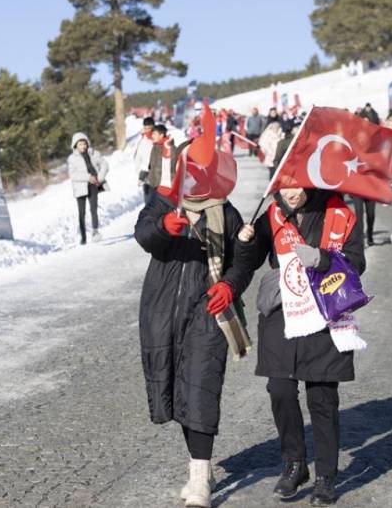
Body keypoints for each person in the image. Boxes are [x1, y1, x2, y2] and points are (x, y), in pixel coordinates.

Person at [134, 135, 253, 508]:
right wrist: (164, 227)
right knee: (178, 389)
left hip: (206, 310)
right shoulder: (163, 200)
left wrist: (231, 286)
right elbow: (143, 234)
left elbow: (242, 261)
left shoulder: (226, 210)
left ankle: (199, 477)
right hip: (162, 310)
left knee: (200, 387)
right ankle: (201, 466)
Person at [235, 187, 367, 506]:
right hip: (283, 311)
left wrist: (322, 259)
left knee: (321, 396)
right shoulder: (272, 215)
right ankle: (294, 464)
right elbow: (250, 262)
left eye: (297, 185)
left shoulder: (340, 214)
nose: (291, 193)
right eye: (285, 185)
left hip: (323, 312)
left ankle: (325, 475)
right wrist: (245, 241)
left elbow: (357, 263)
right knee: (279, 389)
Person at [67, 132, 109, 245]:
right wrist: (87, 177)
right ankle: (83, 237)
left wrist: (99, 178)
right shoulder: (72, 158)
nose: (83, 146)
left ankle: (95, 232)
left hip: (93, 185)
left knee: (94, 209)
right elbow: (73, 175)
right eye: (80, 144)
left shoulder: (94, 153)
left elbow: (105, 165)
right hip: (80, 188)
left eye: (84, 143)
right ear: (75, 145)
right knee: (82, 213)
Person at [144, 124, 174, 196]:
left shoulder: (169, 148)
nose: (152, 136)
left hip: (163, 187)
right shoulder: (155, 147)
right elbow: (151, 166)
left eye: (154, 134)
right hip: (152, 185)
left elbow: (172, 169)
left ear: (161, 135)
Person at [134, 117, 156, 198]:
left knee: (154, 199)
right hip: (144, 173)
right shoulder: (143, 139)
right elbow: (138, 156)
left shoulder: (157, 139)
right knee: (147, 198)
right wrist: (138, 170)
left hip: (155, 174)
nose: (147, 130)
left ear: (153, 127)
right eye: (145, 128)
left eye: (149, 128)